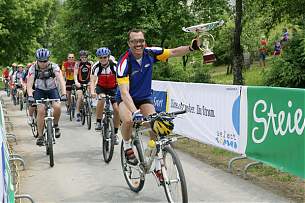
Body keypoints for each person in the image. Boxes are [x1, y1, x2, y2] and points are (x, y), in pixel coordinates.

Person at [116, 28, 200, 177]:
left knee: (157, 125)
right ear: (129, 43)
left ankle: (156, 166)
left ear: (144, 42)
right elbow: (124, 92)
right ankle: (127, 145)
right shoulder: (124, 62)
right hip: (126, 99)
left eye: (141, 41)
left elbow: (173, 52)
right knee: (128, 120)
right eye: (134, 41)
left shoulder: (150, 53)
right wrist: (135, 112)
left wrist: (191, 47)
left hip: (144, 98)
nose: (138, 44)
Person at [27, 48, 67, 146]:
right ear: (37, 60)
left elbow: (61, 80)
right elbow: (29, 83)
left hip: (52, 89)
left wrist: (64, 94)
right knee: (41, 111)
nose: (43, 63)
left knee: (57, 107)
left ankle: (56, 125)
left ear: (48, 59)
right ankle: (40, 136)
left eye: (45, 61)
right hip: (39, 90)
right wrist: (30, 96)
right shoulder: (33, 68)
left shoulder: (54, 66)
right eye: (40, 61)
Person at [91, 47, 120, 144]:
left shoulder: (115, 65)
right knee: (101, 99)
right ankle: (98, 121)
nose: (103, 59)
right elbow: (92, 81)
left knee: (117, 109)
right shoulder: (96, 66)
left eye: (105, 57)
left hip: (113, 88)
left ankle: (115, 134)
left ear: (108, 57)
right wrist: (92, 92)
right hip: (101, 87)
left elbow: (121, 79)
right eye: (100, 58)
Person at [74, 50, 92, 122]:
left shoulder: (90, 63)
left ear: (87, 57)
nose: (84, 58)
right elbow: (75, 74)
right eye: (82, 57)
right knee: (80, 97)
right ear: (80, 57)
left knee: (89, 94)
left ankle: (89, 105)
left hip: (88, 82)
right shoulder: (78, 64)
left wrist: (92, 82)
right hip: (79, 83)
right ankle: (78, 112)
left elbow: (93, 74)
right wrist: (76, 81)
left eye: (85, 57)